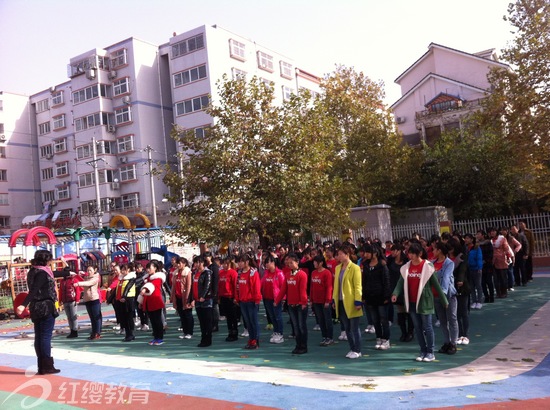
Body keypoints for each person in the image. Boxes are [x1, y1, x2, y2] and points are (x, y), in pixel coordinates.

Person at [15, 250, 74, 375]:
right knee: (45, 337)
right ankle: (47, 366)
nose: (51, 262)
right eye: (50, 260)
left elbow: (57, 273)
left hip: (36, 308)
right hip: (45, 307)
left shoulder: (34, 271)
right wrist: (23, 305)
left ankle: (41, 367)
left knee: (39, 337)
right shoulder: (42, 273)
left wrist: (67, 270)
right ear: (46, 260)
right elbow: (34, 290)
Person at [391, 242, 448, 362]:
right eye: (409, 253)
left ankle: (430, 352)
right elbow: (400, 282)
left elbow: (436, 285)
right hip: (411, 302)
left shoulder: (427, 266)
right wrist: (395, 294)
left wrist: (444, 300)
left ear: (420, 253)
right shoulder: (406, 267)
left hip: (425, 301)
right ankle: (423, 350)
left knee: (427, 327)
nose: (410, 256)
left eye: (412, 253)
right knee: (417, 327)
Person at [332, 244, 363, 359]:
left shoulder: (355, 268)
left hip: (351, 301)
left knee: (354, 327)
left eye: (341, 254)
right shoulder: (337, 268)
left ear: (347, 254)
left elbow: (358, 286)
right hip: (340, 301)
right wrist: (334, 299)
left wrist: (358, 300)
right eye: (338, 254)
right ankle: (352, 348)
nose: (339, 256)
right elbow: (336, 286)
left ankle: (358, 350)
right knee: (347, 328)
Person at [275, 253, 309, 354]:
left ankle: (303, 346)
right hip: (291, 304)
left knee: (301, 326)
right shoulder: (288, 275)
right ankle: (298, 345)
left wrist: (303, 302)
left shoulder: (302, 275)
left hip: (300, 305)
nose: (289, 265)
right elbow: (283, 289)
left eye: (291, 263)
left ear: (297, 262)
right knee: (295, 326)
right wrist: (277, 300)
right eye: (288, 263)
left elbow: (303, 290)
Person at [362, 244, 392, 350]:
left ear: (374, 253)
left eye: (367, 252)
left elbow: (386, 281)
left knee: (384, 318)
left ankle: (386, 339)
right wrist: (364, 295)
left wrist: (387, 296)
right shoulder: (365, 264)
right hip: (370, 296)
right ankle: (378, 338)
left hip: (381, 296)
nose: (365, 255)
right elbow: (364, 281)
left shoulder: (382, 265)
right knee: (375, 319)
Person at [431, 241, 458, 355]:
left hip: (448, 296)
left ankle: (453, 343)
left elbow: (446, 278)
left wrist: (443, 294)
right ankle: (446, 342)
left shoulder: (449, 263)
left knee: (452, 318)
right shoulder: (432, 263)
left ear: (440, 250)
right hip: (436, 296)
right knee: (442, 320)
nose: (433, 251)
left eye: (434, 249)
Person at [388, 243, 413, 342]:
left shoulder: (407, 261)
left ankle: (410, 332)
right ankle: (403, 332)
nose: (392, 252)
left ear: (399, 250)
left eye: (394, 250)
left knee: (408, 310)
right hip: (395, 288)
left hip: (406, 288)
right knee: (400, 310)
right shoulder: (390, 260)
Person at [448, 238, 471, 346]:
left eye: (451, 248)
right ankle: (458, 334)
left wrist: (460, 280)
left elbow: (463, 269)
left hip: (462, 287)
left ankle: (465, 335)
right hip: (451, 288)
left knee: (463, 312)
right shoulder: (447, 258)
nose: (449, 250)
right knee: (455, 314)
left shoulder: (462, 256)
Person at [236, 254, 262, 349]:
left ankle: (256, 340)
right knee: (247, 322)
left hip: (251, 301)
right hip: (243, 301)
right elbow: (237, 286)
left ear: (247, 262)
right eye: (239, 261)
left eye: (241, 261)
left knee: (253, 321)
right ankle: (251, 339)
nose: (239, 263)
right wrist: (237, 298)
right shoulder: (239, 273)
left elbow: (256, 287)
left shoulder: (253, 272)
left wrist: (257, 299)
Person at [138, 260, 166, 346]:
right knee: (153, 321)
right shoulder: (147, 278)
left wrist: (144, 289)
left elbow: (151, 286)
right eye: (147, 268)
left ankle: (160, 338)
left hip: (156, 300)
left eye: (149, 268)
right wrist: (140, 302)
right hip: (148, 301)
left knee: (157, 320)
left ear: (155, 268)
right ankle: (155, 337)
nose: (147, 270)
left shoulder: (158, 277)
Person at [310, 254, 334, 346]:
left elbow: (329, 287)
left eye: (315, 262)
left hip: (325, 301)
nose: (314, 264)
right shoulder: (313, 273)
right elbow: (312, 287)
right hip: (316, 301)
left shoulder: (327, 273)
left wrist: (328, 300)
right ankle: (324, 336)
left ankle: (330, 337)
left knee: (327, 319)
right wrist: (311, 299)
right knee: (320, 320)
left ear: (321, 263)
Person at [261, 254, 285, 344]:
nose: (266, 265)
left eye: (267, 263)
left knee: (278, 316)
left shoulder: (279, 273)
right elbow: (261, 283)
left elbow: (283, 287)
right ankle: (276, 331)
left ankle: (280, 333)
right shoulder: (266, 273)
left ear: (273, 262)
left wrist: (281, 299)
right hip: (267, 298)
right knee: (272, 316)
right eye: (265, 263)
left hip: (276, 299)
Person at [75, 265, 103, 340]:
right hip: (87, 299)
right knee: (92, 318)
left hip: (94, 299)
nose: (89, 272)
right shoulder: (86, 277)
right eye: (88, 270)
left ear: (95, 270)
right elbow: (80, 278)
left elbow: (88, 283)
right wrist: (77, 275)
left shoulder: (96, 278)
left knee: (96, 317)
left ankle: (97, 332)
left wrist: (78, 284)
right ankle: (93, 332)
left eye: (90, 270)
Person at [192, 255, 214, 347]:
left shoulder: (207, 272)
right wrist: (193, 298)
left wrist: (203, 296)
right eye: (195, 262)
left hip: (205, 300)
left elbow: (207, 285)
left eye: (197, 262)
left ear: (201, 263)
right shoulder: (195, 273)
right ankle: (203, 338)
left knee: (207, 321)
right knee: (201, 321)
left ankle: (208, 339)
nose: (196, 264)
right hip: (197, 300)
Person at [170, 257, 194, 340]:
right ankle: (185, 332)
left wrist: (188, 298)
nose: (178, 265)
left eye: (180, 263)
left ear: (184, 264)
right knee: (182, 316)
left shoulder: (188, 272)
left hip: (185, 297)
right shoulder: (175, 273)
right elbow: (173, 286)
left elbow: (189, 286)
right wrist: (172, 297)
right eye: (177, 263)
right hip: (178, 296)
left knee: (188, 315)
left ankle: (189, 332)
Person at [218, 257, 239, 342]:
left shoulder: (233, 273)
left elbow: (235, 286)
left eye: (226, 264)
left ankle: (234, 333)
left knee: (233, 316)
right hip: (223, 297)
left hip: (230, 297)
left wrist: (235, 297)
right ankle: (230, 332)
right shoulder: (221, 273)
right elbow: (219, 286)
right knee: (228, 317)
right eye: (223, 264)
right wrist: (219, 297)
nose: (224, 265)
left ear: (229, 264)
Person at [115, 263, 137, 342]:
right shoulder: (121, 279)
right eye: (122, 269)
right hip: (121, 300)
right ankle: (128, 334)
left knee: (128, 317)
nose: (122, 271)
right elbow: (117, 289)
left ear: (129, 270)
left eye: (124, 269)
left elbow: (128, 287)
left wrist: (124, 297)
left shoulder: (131, 277)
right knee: (123, 317)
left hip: (128, 299)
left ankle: (130, 334)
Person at [59, 266, 82, 339]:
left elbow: (77, 290)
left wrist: (77, 299)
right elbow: (61, 291)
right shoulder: (62, 281)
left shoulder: (73, 280)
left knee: (73, 316)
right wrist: (60, 300)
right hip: (65, 300)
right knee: (69, 317)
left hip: (72, 300)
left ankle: (75, 331)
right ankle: (72, 330)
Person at [489, 227, 513, 298]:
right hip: (493, 261)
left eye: (493, 231)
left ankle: (504, 292)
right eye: (491, 231)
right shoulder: (489, 240)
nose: (492, 233)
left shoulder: (502, 239)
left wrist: (508, 257)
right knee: (496, 279)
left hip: (502, 260)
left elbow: (506, 248)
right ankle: (498, 292)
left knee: (503, 277)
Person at [464, 233, 483, 309]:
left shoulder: (476, 247)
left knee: (478, 285)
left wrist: (479, 267)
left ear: (472, 239)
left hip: (476, 269)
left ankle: (479, 301)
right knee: (471, 286)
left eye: (468, 238)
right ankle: (474, 301)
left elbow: (479, 258)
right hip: (468, 269)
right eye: (465, 238)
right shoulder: (465, 248)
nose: (466, 240)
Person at [476, 230, 495, 303]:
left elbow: (491, 253)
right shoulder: (477, 244)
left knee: (489, 281)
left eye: (479, 234)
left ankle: (492, 296)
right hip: (480, 265)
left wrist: (486, 260)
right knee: (482, 282)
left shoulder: (488, 243)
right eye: (477, 234)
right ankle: (486, 296)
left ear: (483, 235)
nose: (477, 235)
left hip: (487, 265)